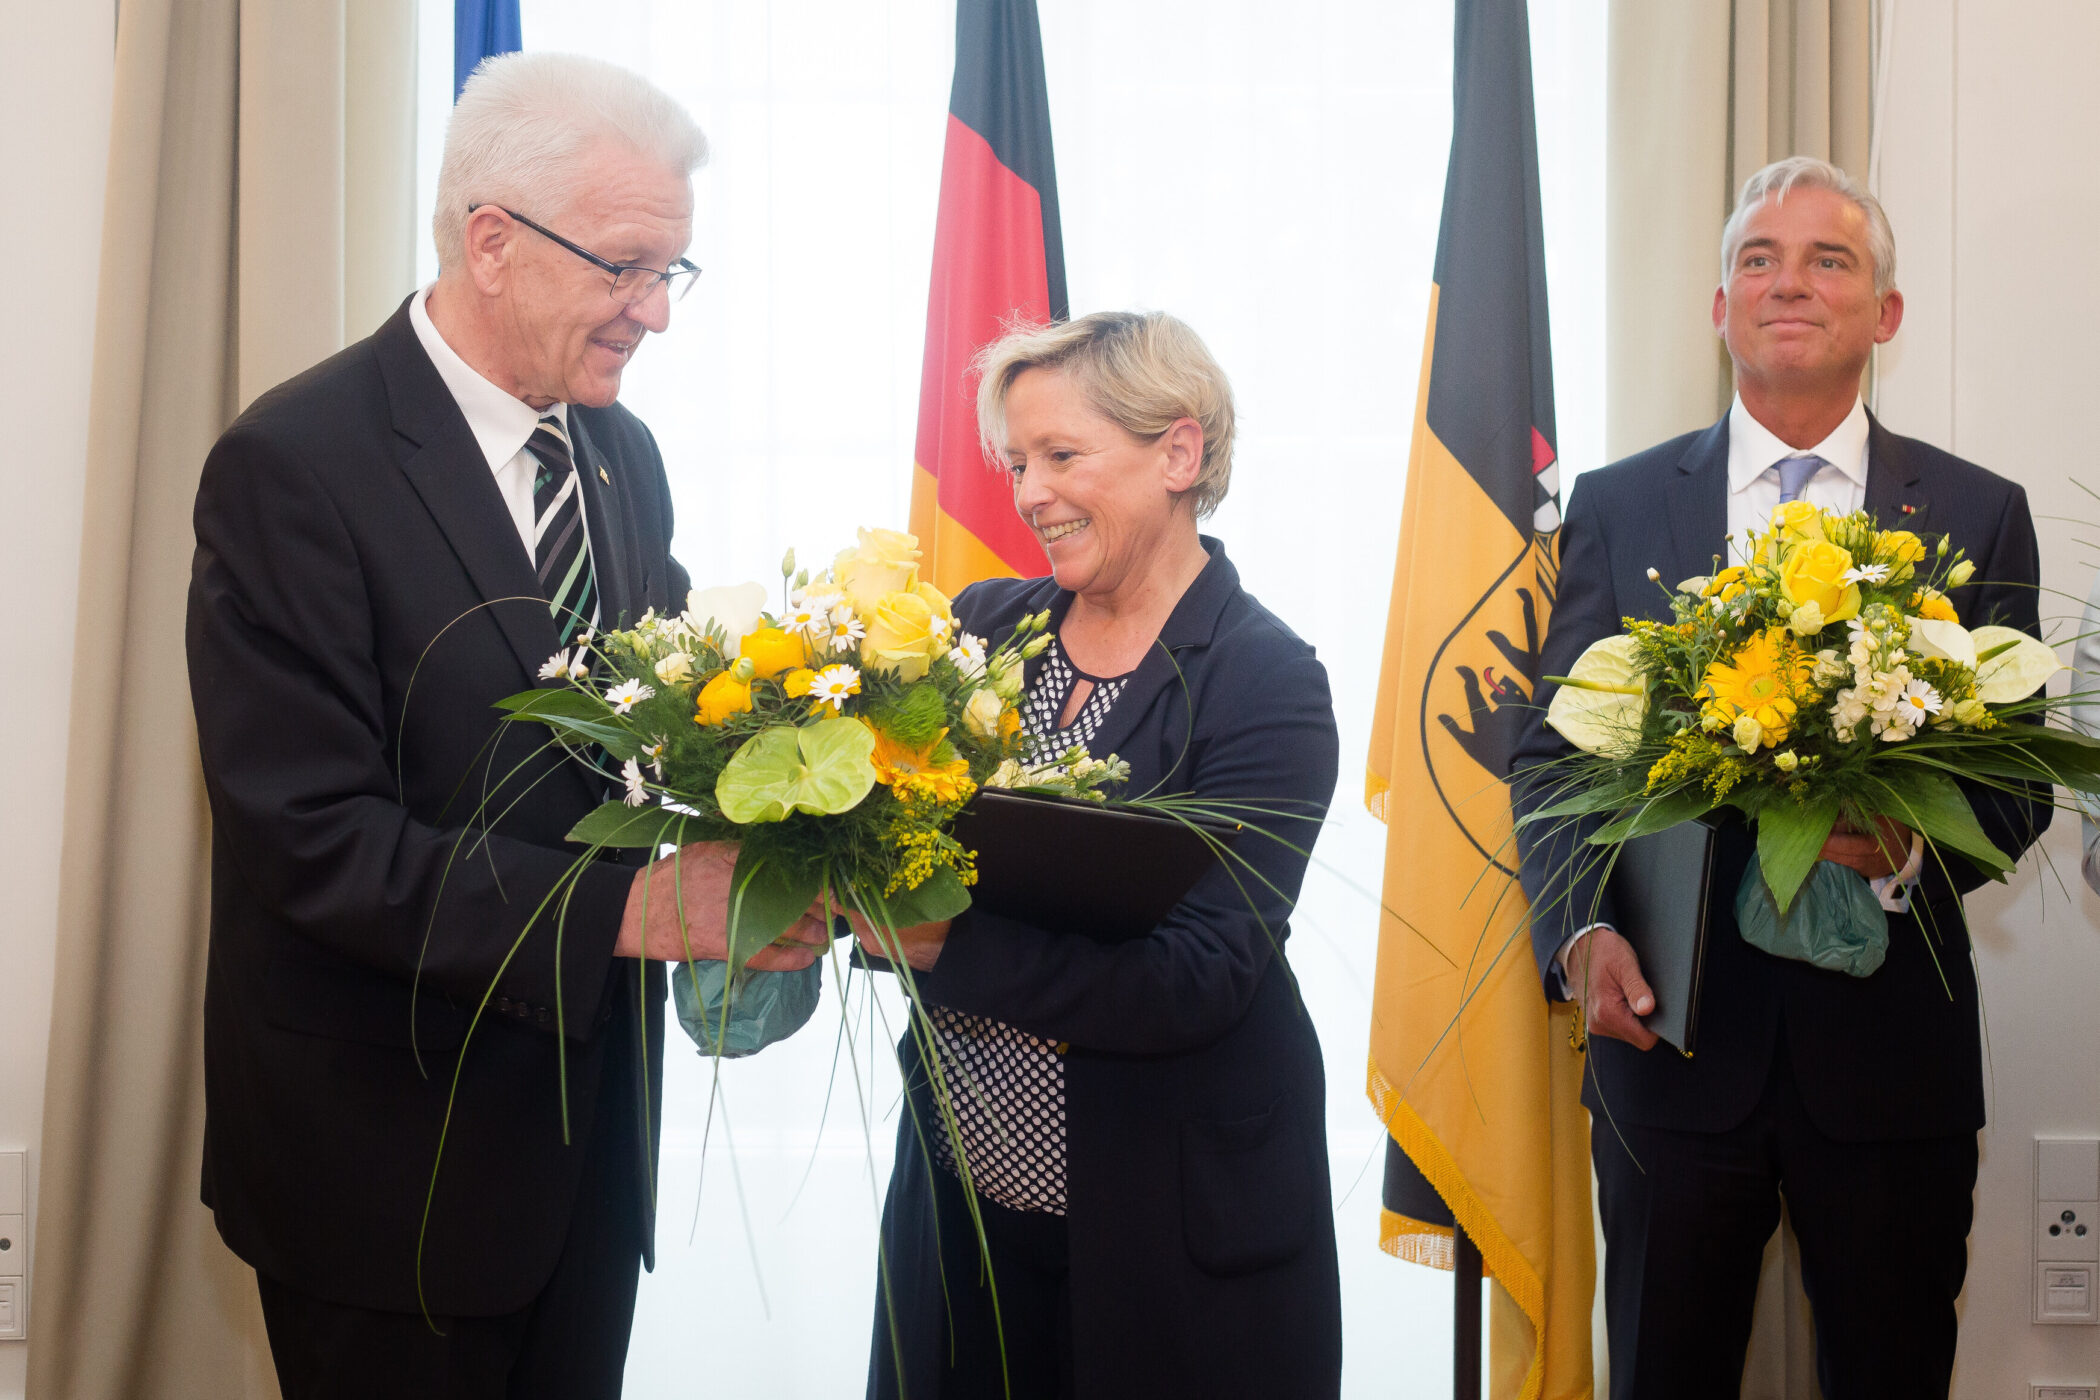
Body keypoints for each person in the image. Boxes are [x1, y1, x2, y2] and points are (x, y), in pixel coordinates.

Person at [186, 53, 823, 1399]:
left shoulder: (619, 453)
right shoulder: (292, 465)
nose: (657, 312)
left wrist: (811, 810)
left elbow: (646, 739)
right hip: (386, 1169)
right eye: (626, 266)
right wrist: (635, 912)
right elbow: (313, 840)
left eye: (673, 269)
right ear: (492, 243)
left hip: (587, 1149)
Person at [1513, 155, 2051, 1398]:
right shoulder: (1620, 504)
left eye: (1828, 259)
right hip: (1670, 1052)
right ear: (1721, 307)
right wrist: (1581, 928)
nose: (1788, 282)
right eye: (1759, 259)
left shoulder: (1978, 511)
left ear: (1886, 312)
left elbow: (2020, 778)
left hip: (1892, 1068)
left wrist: (1913, 846)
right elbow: (1553, 752)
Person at [851, 312, 1342, 1400]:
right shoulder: (982, 627)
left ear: (1179, 453)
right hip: (963, 1212)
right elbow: (895, 844)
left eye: (1061, 456)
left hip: (1168, 1232)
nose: (1030, 493)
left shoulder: (1265, 678)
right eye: (1016, 463)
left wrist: (941, 945)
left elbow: (1196, 977)